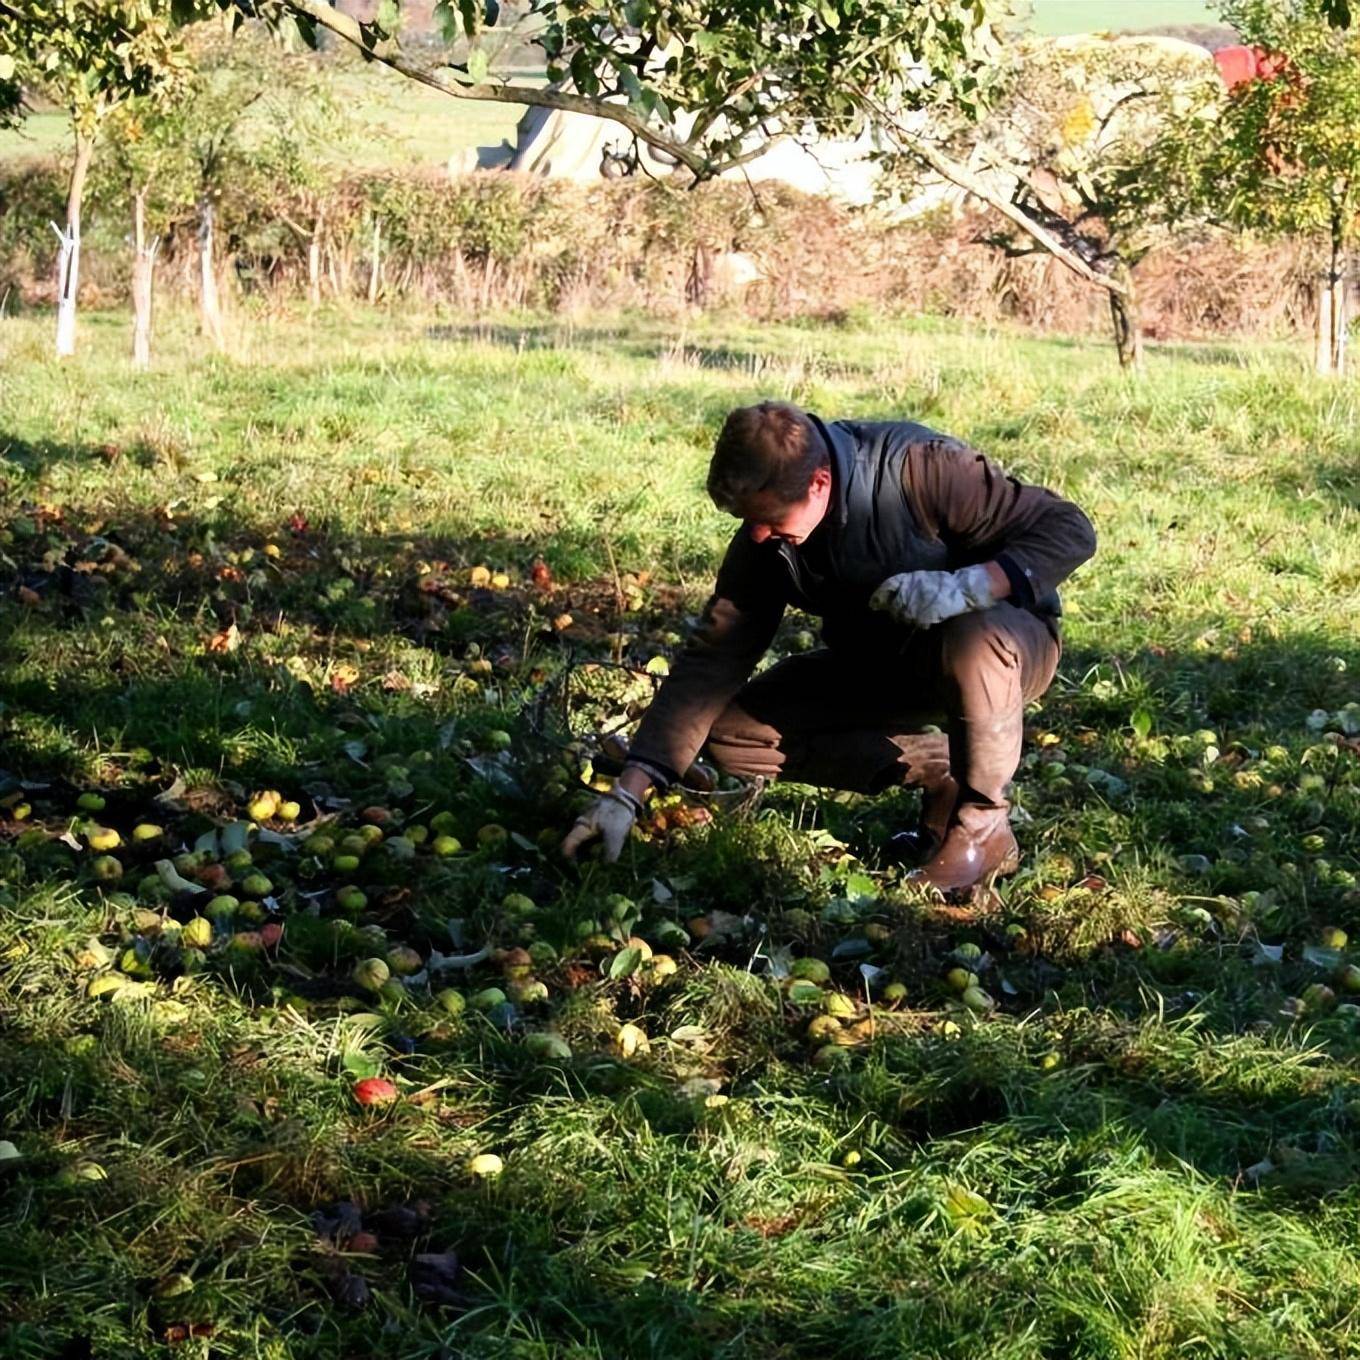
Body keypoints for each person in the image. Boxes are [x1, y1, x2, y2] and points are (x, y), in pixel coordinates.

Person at [561, 400, 1096, 896]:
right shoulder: (765, 537)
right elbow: (714, 658)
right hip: (882, 666)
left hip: (1003, 653)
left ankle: (982, 832)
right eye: (747, 522)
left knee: (972, 638)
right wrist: (629, 792)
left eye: (770, 520)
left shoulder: (921, 471)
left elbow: (1069, 529)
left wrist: (968, 588)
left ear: (820, 482)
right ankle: (943, 769)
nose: (757, 537)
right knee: (731, 735)